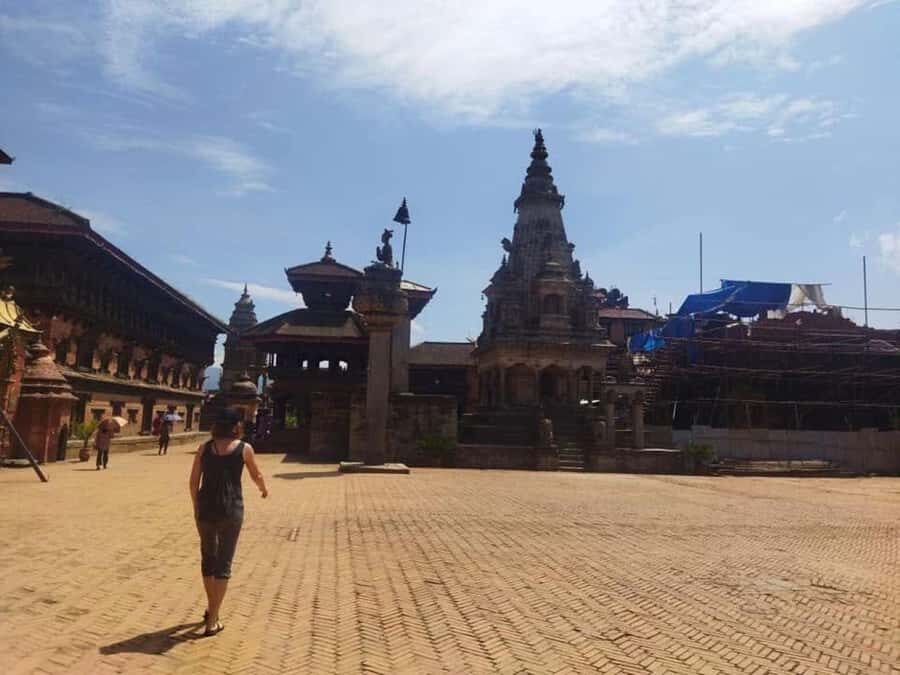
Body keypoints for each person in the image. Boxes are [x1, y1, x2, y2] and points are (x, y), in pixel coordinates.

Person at [189, 407, 268, 637]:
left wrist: (196, 507)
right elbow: (256, 475)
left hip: (206, 509)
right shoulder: (244, 448)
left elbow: (193, 482)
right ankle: (213, 619)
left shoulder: (204, 448)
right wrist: (263, 489)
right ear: (236, 426)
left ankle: (211, 608)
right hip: (231, 510)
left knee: (208, 559)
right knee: (224, 563)